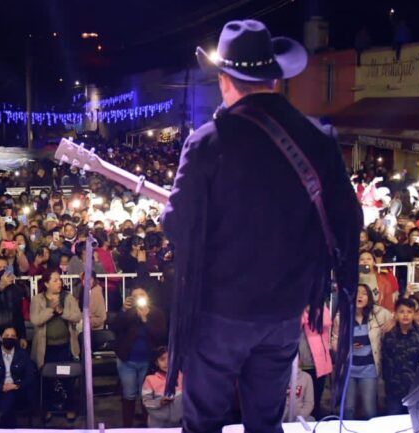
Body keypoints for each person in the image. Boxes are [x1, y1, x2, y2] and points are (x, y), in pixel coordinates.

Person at [162, 20, 362, 433]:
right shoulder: (319, 138)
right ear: (275, 79)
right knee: (266, 421)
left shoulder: (206, 142)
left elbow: (177, 225)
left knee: (203, 423)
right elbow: (348, 220)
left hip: (218, 313)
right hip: (285, 312)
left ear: (224, 80)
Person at [332, 284, 394, 420]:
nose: (359, 296)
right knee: (348, 409)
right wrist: (345, 347)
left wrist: (393, 322)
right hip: (349, 369)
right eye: (357, 293)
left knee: (369, 410)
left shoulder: (378, 314)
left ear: (369, 298)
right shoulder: (342, 317)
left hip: (369, 369)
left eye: (364, 293)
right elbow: (334, 339)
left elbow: (395, 317)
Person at [110, 284, 167, 427]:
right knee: (129, 394)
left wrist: (145, 320)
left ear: (147, 297)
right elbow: (115, 328)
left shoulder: (156, 313)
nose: (138, 298)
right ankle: (127, 427)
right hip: (127, 360)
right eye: (135, 296)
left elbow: (160, 336)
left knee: (146, 395)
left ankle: (147, 425)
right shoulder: (127, 312)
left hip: (148, 361)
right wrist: (123, 310)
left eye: (141, 295)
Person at [29, 269, 82, 421]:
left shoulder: (68, 297)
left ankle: (70, 407)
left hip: (65, 347)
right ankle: (47, 409)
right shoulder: (38, 299)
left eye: (60, 279)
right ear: (46, 284)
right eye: (55, 280)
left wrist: (61, 312)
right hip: (46, 348)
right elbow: (35, 319)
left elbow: (77, 316)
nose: (59, 282)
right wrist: (51, 310)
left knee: (67, 378)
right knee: (47, 380)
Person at [381, 298, 419, 415]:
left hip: (416, 389)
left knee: (416, 420)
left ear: (414, 314)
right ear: (396, 314)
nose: (405, 315)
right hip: (394, 390)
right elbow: (385, 362)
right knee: (394, 420)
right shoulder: (389, 336)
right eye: (402, 312)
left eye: (409, 312)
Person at [0, 327, 36, 428]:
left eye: (13, 336)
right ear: (0, 338)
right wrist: (1, 387)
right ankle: (5, 423)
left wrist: (16, 385)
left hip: (17, 390)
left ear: (16, 339)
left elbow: (30, 377)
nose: (9, 338)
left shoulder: (23, 354)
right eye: (7, 336)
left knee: (10, 397)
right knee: (7, 399)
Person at [300, 305, 332, 419]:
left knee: (315, 400)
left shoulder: (321, 307)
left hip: (317, 364)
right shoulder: (295, 306)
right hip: (298, 365)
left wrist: (310, 310)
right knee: (296, 400)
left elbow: (326, 322)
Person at [142, 347, 183, 428]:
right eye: (162, 359)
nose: (166, 362)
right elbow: (146, 402)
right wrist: (160, 402)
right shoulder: (150, 380)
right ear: (156, 362)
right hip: (157, 424)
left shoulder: (181, 376)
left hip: (179, 423)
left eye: (169, 359)